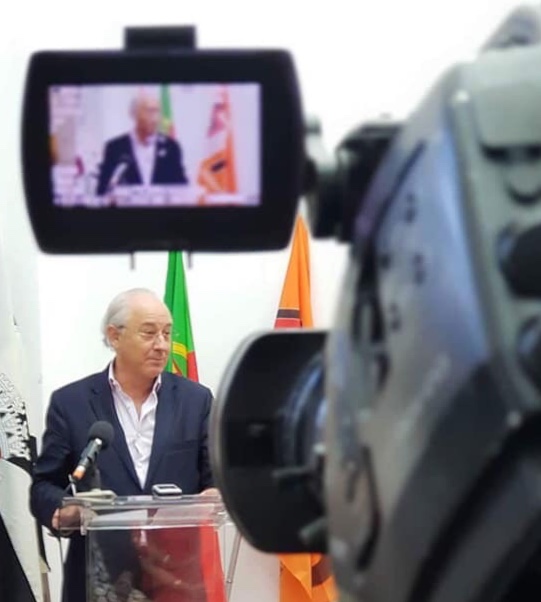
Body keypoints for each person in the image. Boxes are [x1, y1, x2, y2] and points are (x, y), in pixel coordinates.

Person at [30, 288, 217, 602]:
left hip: (175, 579)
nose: (162, 345)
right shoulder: (71, 403)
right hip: (99, 579)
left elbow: (214, 479)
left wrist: (216, 494)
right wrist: (63, 509)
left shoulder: (195, 400)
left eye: (167, 333)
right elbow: (44, 485)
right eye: (149, 333)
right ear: (114, 336)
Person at [96, 88, 188, 197]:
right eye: (149, 111)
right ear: (134, 114)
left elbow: (182, 189)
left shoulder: (171, 147)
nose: (155, 118)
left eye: (158, 111)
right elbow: (102, 190)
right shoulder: (115, 148)